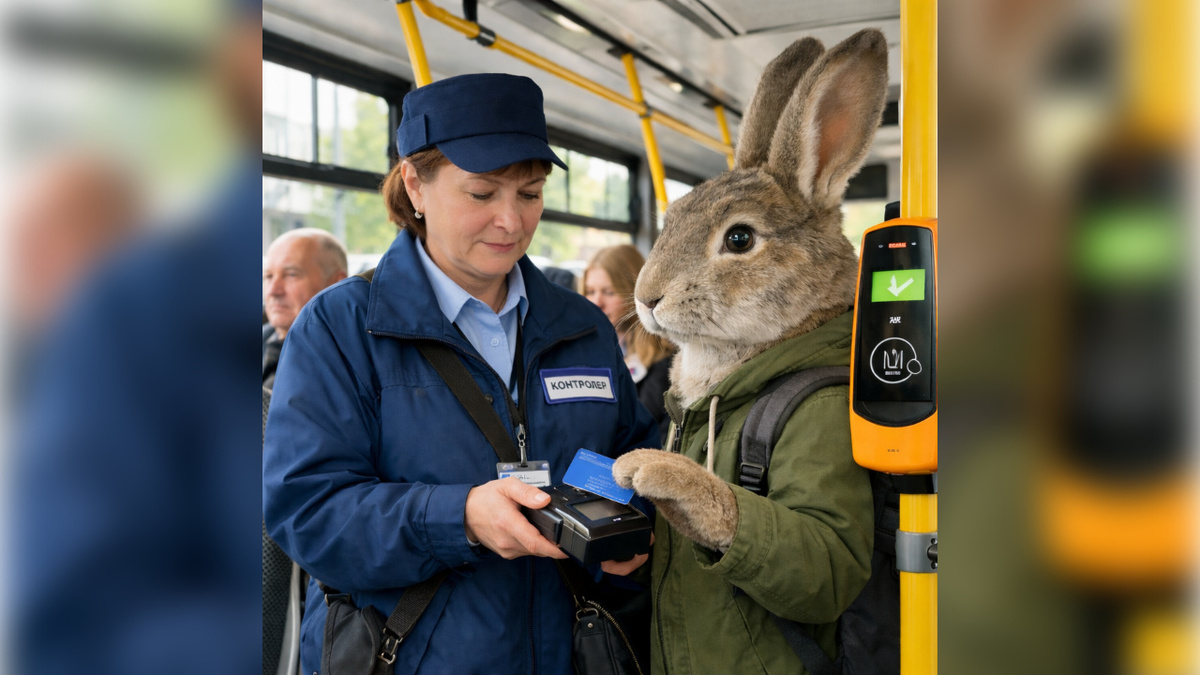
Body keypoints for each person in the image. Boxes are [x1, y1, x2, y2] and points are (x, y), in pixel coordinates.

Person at [262, 73, 659, 675]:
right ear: (414, 185)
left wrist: (634, 525)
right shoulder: (341, 329)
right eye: (481, 194)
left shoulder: (581, 326)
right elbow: (307, 512)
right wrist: (460, 517)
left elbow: (633, 454)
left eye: (530, 194)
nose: (511, 221)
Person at [583, 245, 675, 442]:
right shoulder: (579, 351)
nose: (597, 302)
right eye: (590, 291)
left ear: (634, 292)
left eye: (609, 292)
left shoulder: (666, 361)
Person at [262, 228, 348, 389]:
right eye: (268, 276)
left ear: (337, 284)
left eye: (291, 274)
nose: (273, 290)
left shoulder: (347, 361)